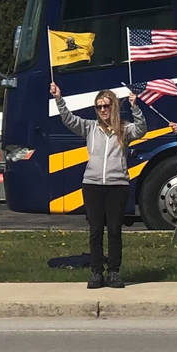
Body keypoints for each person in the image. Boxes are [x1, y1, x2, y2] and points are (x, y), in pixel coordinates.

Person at [51, 80, 147, 289]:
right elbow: (69, 119)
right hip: (92, 185)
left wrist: (135, 107)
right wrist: (59, 98)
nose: (103, 110)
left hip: (118, 185)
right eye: (99, 106)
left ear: (113, 106)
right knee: (95, 230)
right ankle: (96, 272)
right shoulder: (90, 128)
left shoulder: (124, 129)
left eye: (106, 105)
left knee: (114, 230)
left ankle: (114, 271)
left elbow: (141, 130)